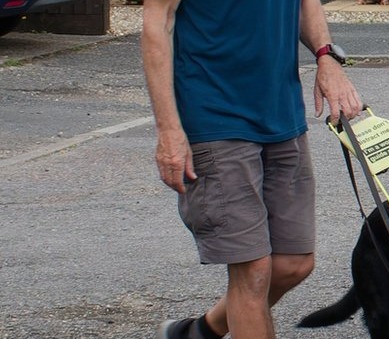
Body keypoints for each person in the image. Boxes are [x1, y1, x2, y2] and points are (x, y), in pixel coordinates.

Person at [141, 1, 363, 338]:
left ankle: (201, 331)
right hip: (214, 117)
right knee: (253, 272)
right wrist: (169, 130)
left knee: (293, 263)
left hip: (281, 113)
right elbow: (157, 24)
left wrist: (325, 55)